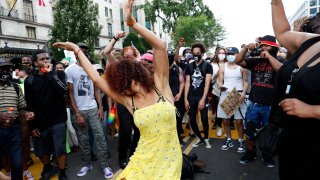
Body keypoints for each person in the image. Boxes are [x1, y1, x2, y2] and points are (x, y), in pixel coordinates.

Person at [53, 0, 182, 179]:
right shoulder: (128, 101)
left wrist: (133, 24)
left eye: (124, 83)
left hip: (170, 162)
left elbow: (160, 46)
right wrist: (77, 50)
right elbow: (97, 79)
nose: (122, 89)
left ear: (135, 76)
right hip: (142, 161)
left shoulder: (161, 85)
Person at [271, 0, 320, 179]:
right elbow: (282, 32)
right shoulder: (313, 43)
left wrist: (313, 110)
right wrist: (275, 2)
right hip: (292, 140)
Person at [235, 35, 284, 168]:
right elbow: (238, 61)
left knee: (269, 133)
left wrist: (268, 56)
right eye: (261, 46)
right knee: (249, 131)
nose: (263, 48)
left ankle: (267, 155)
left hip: (271, 105)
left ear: (273, 47)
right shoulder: (256, 61)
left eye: (266, 46)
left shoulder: (280, 60)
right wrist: (245, 48)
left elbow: (281, 70)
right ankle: (251, 152)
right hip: (254, 103)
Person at [65, 45, 113, 179]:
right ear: (75, 54)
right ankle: (87, 164)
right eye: (81, 52)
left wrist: (100, 107)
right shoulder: (70, 70)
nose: (83, 54)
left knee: (100, 137)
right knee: (83, 140)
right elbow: (70, 93)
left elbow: (96, 88)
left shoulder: (91, 68)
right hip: (79, 111)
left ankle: (105, 165)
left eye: (85, 52)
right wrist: (78, 113)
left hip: (92, 109)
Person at [24, 49, 68, 180]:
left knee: (60, 149)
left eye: (47, 58)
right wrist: (32, 126)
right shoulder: (29, 80)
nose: (45, 61)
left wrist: (50, 74)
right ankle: (48, 166)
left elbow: (62, 90)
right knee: (41, 152)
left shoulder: (58, 74)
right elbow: (29, 105)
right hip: (40, 122)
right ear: (35, 63)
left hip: (58, 119)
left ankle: (62, 172)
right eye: (41, 59)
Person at [0, 59, 34, 180]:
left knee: (17, 162)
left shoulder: (15, 86)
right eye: (2, 68)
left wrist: (27, 113)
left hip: (14, 129)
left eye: (7, 68)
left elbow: (21, 108)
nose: (5, 71)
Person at [217, 47, 248, 153]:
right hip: (225, 95)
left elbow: (246, 82)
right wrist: (220, 86)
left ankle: (240, 140)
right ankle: (228, 139)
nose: (230, 56)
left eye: (233, 54)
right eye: (229, 54)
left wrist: (243, 93)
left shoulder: (242, 67)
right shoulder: (222, 67)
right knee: (225, 120)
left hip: (238, 95)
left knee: (239, 121)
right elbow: (220, 81)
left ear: (237, 54)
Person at [184, 42, 213, 148]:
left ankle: (206, 138)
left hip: (202, 96)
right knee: (191, 119)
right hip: (191, 96)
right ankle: (199, 138)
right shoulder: (189, 66)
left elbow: (207, 83)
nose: (196, 54)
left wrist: (203, 99)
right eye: (194, 52)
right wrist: (185, 99)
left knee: (204, 118)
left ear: (202, 53)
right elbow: (187, 82)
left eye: (198, 52)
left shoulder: (207, 66)